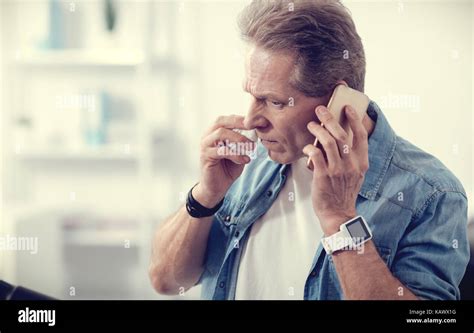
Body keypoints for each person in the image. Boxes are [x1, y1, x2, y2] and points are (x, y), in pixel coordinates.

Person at [149, 0, 469, 300]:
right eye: (252, 95)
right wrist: (205, 195)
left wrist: (340, 219)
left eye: (274, 102)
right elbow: (167, 281)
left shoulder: (432, 193)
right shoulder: (250, 160)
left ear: (339, 101)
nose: (251, 120)